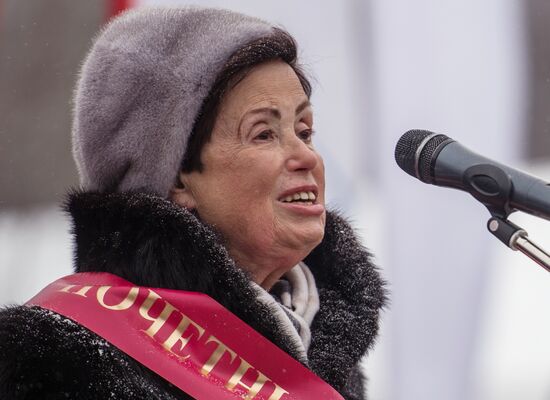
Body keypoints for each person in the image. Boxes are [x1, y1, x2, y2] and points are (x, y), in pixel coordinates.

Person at [0, 6, 386, 400]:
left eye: (304, 132)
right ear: (177, 176)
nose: (308, 157)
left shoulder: (324, 353)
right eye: (264, 134)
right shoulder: (53, 360)